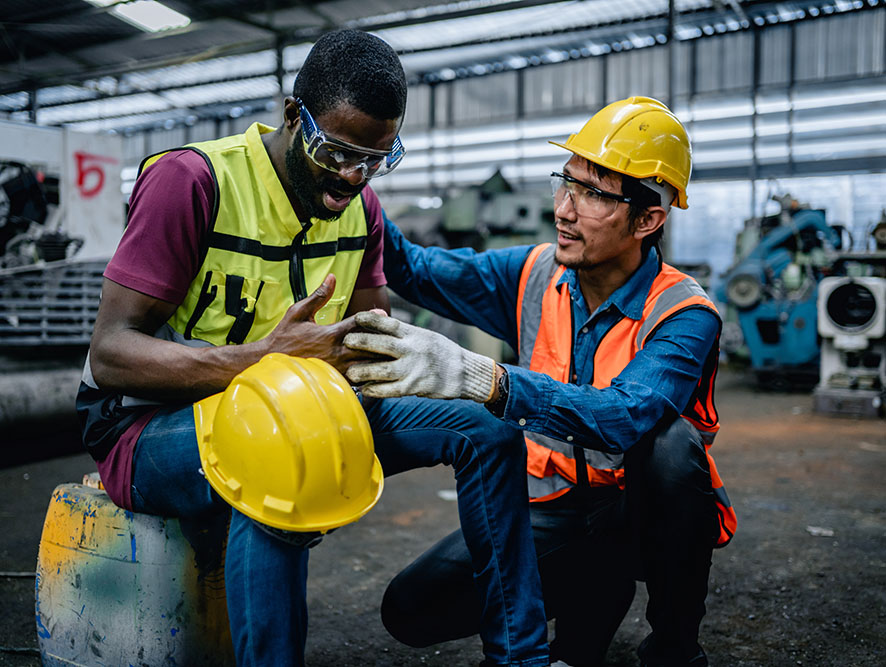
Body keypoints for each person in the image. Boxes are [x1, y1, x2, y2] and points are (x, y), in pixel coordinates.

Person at [76, 29, 550, 667]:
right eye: (337, 152)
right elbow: (111, 355)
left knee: (488, 435)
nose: (351, 178)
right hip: (148, 425)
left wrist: (401, 352)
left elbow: (371, 329)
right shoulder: (192, 182)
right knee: (280, 453)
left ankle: (520, 658)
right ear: (293, 117)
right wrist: (264, 360)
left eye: (376, 157)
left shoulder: (364, 208)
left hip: (304, 405)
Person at [344, 96, 738, 667]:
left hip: (641, 512)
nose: (564, 209)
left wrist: (487, 380)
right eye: (566, 183)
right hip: (555, 509)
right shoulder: (534, 273)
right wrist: (357, 173)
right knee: (412, 609)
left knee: (672, 449)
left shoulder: (683, 312)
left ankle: (674, 645)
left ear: (649, 219)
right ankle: (592, 591)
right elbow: (414, 269)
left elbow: (624, 418)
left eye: (595, 194)